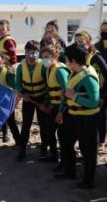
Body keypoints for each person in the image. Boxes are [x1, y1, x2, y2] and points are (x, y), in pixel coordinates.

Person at [55, 43, 100, 189]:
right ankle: (70, 172)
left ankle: (89, 181)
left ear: (73, 60)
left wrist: (74, 97)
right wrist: (62, 106)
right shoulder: (73, 72)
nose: (66, 62)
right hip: (73, 116)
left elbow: (94, 102)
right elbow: (70, 92)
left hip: (87, 119)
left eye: (67, 59)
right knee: (67, 143)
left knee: (87, 150)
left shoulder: (88, 77)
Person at [74, 30, 107, 150]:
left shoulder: (96, 56)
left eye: (81, 42)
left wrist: (103, 95)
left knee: (100, 117)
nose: (79, 44)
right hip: (84, 93)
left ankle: (101, 141)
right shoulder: (79, 55)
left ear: (88, 42)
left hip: (98, 91)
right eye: (76, 42)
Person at [15, 40, 47, 161]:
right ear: (25, 52)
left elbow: (48, 83)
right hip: (28, 98)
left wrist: (46, 101)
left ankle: (44, 148)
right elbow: (18, 83)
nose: (31, 55)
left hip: (41, 98)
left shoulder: (43, 66)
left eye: (34, 52)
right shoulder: (20, 67)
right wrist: (23, 94)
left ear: (38, 53)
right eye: (28, 52)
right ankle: (23, 150)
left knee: (43, 125)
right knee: (26, 125)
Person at [39, 45, 70, 166]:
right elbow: (49, 90)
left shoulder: (60, 71)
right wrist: (46, 104)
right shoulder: (48, 70)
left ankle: (64, 160)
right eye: (43, 57)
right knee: (49, 132)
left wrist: (61, 111)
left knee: (62, 136)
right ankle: (53, 156)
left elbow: (65, 93)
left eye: (47, 57)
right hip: (53, 106)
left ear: (55, 56)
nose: (44, 60)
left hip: (62, 108)